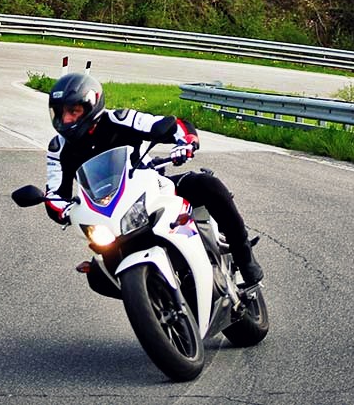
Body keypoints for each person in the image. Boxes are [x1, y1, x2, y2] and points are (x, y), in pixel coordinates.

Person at [43, 71, 264, 287]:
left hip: (151, 190)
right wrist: (63, 209)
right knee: (99, 277)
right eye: (61, 112)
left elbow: (175, 124)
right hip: (108, 215)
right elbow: (54, 193)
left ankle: (244, 257)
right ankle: (156, 304)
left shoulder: (121, 119)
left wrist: (185, 143)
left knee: (207, 185)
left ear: (92, 106)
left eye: (74, 111)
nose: (66, 118)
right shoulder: (58, 148)